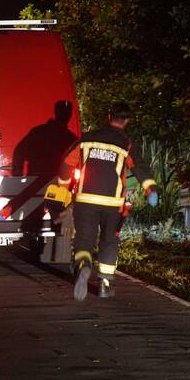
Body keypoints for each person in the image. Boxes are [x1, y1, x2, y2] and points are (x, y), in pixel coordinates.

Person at [60, 103, 158, 300]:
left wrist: (63, 187)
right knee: (109, 241)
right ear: (127, 120)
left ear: (108, 115)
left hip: (85, 200)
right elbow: (140, 168)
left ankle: (83, 266)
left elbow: (66, 164)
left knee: (84, 239)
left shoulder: (87, 138)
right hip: (113, 204)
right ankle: (105, 283)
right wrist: (151, 190)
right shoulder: (126, 144)